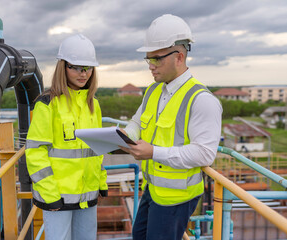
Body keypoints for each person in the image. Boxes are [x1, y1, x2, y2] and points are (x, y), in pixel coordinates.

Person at [119, 14, 223, 240]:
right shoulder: (153, 91)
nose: (151, 66)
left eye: (156, 59)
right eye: (148, 59)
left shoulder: (202, 100)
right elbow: (137, 121)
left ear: (179, 56)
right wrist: (127, 135)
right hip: (153, 189)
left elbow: (205, 153)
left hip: (178, 197)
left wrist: (153, 152)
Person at [25, 34, 108, 240]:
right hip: (58, 197)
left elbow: (96, 149)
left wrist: (101, 182)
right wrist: (50, 195)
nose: (83, 73)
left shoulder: (93, 105)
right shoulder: (47, 104)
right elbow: (36, 152)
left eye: (87, 68)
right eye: (76, 67)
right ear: (63, 67)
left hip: (88, 194)